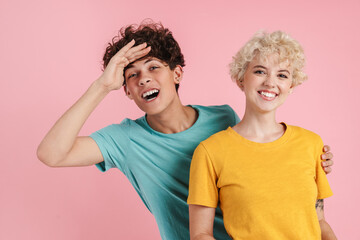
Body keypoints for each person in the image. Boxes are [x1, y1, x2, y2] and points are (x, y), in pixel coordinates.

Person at [37, 22, 334, 240]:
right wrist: (101, 86)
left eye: (154, 67)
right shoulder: (123, 140)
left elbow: (260, 161)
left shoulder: (222, 118)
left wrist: (310, 162)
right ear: (126, 89)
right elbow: (51, 153)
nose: (143, 79)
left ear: (176, 73)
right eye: (132, 75)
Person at [187, 31, 337, 240]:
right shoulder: (210, 152)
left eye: (282, 75)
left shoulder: (311, 144)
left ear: (291, 85)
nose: (270, 82)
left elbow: (319, 221)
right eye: (260, 71)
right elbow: (201, 234)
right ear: (241, 79)